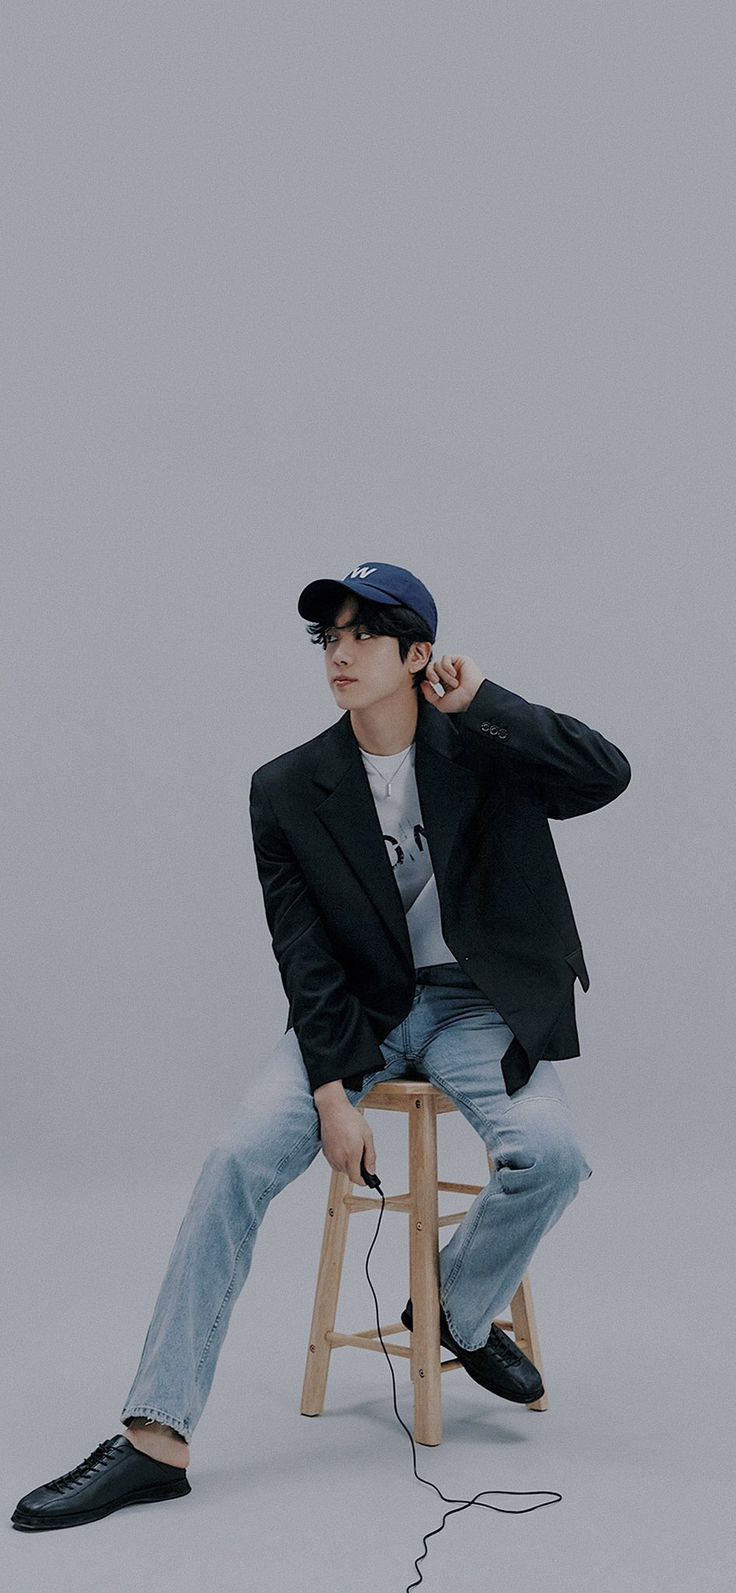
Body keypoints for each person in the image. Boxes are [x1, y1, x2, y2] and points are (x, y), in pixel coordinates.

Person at [12, 561, 631, 1532]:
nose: (338, 653)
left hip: (480, 1008)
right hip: (358, 1018)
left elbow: (605, 774)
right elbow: (304, 957)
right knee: (234, 1160)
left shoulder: (486, 745)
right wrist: (334, 1093)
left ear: (415, 654)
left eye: (360, 635)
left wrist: (485, 702)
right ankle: (154, 1439)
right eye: (327, 637)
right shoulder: (288, 789)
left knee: (552, 1158)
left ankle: (452, 1310)